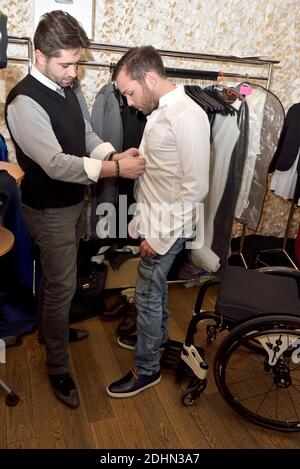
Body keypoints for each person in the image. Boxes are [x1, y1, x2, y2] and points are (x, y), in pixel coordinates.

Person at [4, 10, 145, 408]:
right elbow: (56, 163)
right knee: (62, 282)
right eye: (67, 63)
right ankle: (57, 366)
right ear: (39, 54)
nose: (74, 71)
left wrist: (112, 152)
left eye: (77, 62)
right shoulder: (22, 102)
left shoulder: (70, 87)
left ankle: (53, 331)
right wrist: (117, 168)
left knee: (59, 277)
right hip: (47, 209)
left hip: (73, 201)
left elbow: (85, 134)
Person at [106, 45, 210, 398]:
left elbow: (195, 188)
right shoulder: (159, 113)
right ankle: (158, 341)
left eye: (130, 93)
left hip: (168, 228)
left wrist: (161, 238)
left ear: (149, 78)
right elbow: (168, 170)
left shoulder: (188, 116)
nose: (130, 103)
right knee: (153, 288)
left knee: (148, 293)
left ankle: (146, 368)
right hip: (153, 220)